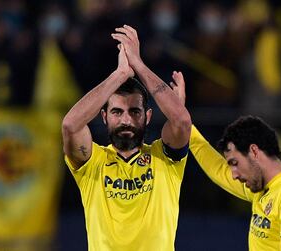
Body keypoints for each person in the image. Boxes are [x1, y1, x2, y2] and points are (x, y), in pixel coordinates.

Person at [61, 24, 191, 251]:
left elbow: (181, 121)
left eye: (135, 111)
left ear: (148, 116)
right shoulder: (93, 162)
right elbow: (70, 126)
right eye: (117, 112)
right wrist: (120, 74)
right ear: (104, 116)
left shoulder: (165, 160)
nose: (126, 120)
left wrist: (138, 64)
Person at [171, 75, 281, 250]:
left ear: (254, 152)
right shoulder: (263, 191)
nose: (233, 174)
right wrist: (183, 120)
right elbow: (218, 169)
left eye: (235, 163)